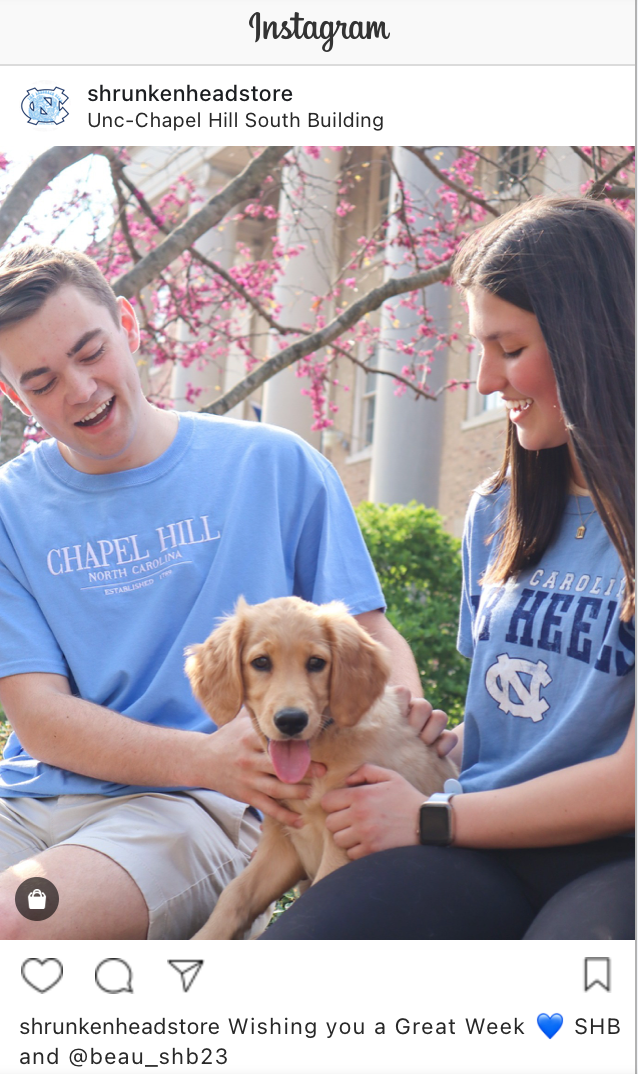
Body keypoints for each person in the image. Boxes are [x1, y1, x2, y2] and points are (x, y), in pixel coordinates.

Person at [0, 243, 434, 941]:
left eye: (91, 351)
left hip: (201, 806)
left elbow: (368, 636)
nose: (79, 390)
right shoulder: (8, 511)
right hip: (31, 800)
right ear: (12, 394)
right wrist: (201, 753)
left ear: (129, 327)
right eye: (41, 381)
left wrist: (404, 730)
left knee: (18, 926)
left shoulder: (274, 462)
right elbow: (39, 718)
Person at [261, 196, 635, 941]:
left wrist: (435, 817)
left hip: (610, 860)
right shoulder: (500, 511)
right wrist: (442, 744)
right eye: (480, 349)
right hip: (479, 837)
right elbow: (525, 718)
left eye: (511, 347)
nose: (487, 379)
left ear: (590, 339)